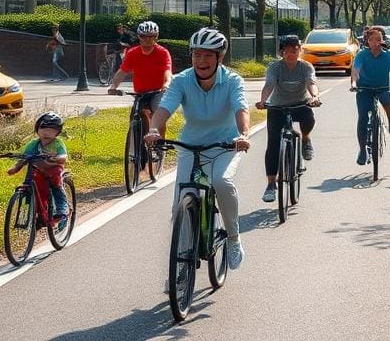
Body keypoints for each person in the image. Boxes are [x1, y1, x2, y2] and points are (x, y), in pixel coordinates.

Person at [145, 28, 250, 269]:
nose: (201, 61)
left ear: (219, 57)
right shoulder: (182, 80)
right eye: (196, 55)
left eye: (208, 56)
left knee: (221, 182)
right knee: (180, 201)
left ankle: (233, 239)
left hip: (225, 145)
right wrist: (153, 130)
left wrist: (243, 134)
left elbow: (241, 108)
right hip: (190, 146)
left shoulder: (233, 80)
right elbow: (164, 109)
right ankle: (180, 268)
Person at [255, 35, 321, 203]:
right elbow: (269, 84)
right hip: (277, 107)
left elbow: (311, 82)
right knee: (273, 145)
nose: (293, 52)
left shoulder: (305, 66)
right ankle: (271, 184)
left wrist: (314, 96)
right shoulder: (275, 67)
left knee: (309, 118)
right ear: (282, 51)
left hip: (300, 104)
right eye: (289, 50)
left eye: (296, 49)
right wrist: (263, 101)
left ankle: (305, 139)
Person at [350, 26, 390, 165]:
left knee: (386, 98)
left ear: (382, 40)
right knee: (362, 117)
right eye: (372, 39)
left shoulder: (387, 55)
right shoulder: (361, 55)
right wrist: (354, 83)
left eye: (378, 39)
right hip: (364, 89)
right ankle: (363, 150)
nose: (376, 42)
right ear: (367, 41)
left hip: (382, 87)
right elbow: (356, 70)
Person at [8, 111, 69, 225]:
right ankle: (38, 213)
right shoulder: (34, 144)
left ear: (57, 132)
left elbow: (63, 156)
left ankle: (62, 209)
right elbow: (25, 157)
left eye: (51, 130)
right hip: (37, 169)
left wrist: (58, 159)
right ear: (37, 130)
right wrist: (16, 167)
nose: (47, 132)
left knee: (56, 184)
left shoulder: (57, 143)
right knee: (34, 186)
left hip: (53, 169)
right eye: (43, 129)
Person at [108, 21, 173, 126]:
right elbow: (122, 72)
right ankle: (133, 140)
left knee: (158, 114)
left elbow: (167, 71)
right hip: (139, 93)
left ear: (156, 37)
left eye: (151, 37)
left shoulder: (162, 52)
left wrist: (166, 84)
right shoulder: (133, 53)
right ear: (139, 37)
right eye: (144, 37)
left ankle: (160, 141)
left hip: (157, 91)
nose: (147, 41)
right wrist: (113, 86)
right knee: (134, 116)